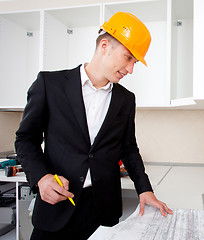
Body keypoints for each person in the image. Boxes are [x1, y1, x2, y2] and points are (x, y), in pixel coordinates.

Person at [15, 12, 173, 240]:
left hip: (102, 211)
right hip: (57, 207)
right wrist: (41, 178)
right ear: (105, 45)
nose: (131, 69)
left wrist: (145, 189)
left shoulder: (125, 99)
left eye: (135, 62)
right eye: (128, 58)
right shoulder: (50, 85)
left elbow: (128, 149)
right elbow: (25, 139)